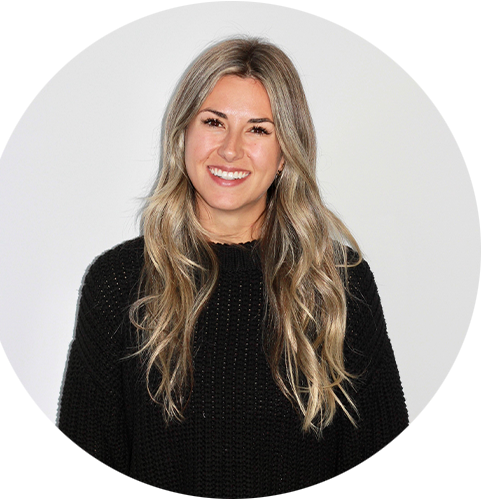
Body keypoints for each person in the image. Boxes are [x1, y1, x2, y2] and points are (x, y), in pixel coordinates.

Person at [54, 36, 415, 498]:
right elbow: (85, 477)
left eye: (258, 130)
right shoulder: (120, 282)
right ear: (183, 134)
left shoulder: (336, 282)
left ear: (285, 153)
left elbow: (384, 476)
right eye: (214, 122)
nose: (230, 149)